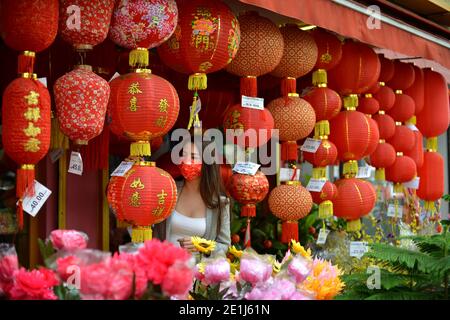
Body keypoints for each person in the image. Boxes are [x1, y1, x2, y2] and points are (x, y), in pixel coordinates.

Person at [153, 137, 231, 254]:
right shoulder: (168, 190)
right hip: (165, 267)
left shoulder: (220, 203)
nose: (186, 160)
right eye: (183, 155)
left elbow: (225, 245)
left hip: (197, 270)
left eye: (193, 157)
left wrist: (202, 246)